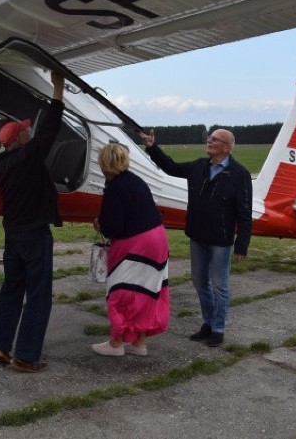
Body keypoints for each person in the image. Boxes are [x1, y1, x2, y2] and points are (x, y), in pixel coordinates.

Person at [138, 128, 252, 347]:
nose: (209, 140)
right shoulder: (199, 166)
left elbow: (244, 212)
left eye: (215, 139)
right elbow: (171, 167)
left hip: (222, 240)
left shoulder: (240, 174)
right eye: (210, 137)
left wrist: (242, 245)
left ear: (226, 148)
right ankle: (208, 323)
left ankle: (218, 328)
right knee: (200, 283)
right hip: (198, 236)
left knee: (220, 286)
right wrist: (152, 147)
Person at [0, 72, 65, 373]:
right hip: (34, 234)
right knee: (38, 295)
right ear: (19, 138)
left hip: (13, 235)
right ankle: (26, 356)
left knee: (11, 289)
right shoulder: (28, 158)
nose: (29, 133)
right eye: (24, 131)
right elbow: (51, 128)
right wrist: (58, 89)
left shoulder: (1, 164)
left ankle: (1, 345)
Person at [91, 143, 170, 356]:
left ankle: (116, 343)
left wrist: (100, 225)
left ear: (104, 163)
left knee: (122, 292)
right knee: (146, 291)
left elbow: (114, 227)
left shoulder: (114, 187)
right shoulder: (136, 180)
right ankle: (139, 343)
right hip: (158, 237)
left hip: (137, 243)